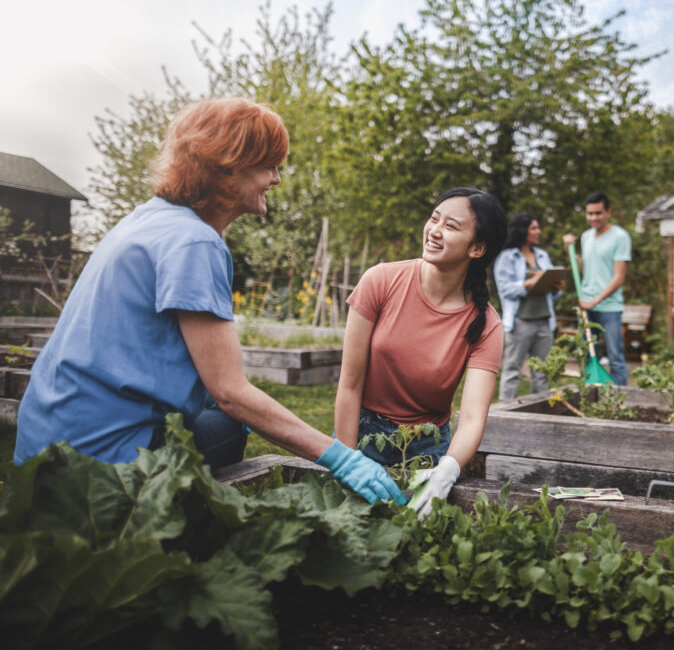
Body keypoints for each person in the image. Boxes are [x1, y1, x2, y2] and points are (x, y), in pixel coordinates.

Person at [15, 98, 405, 506]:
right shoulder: (194, 242)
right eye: (269, 166)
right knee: (231, 424)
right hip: (100, 462)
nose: (276, 180)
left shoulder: (147, 219)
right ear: (228, 166)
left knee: (215, 418)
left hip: (45, 444)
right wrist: (342, 458)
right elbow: (230, 392)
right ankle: (174, 526)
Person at [334, 187, 506, 517]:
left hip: (426, 450)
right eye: (434, 219)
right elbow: (350, 384)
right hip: (362, 433)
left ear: (478, 248)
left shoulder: (486, 325)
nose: (434, 231)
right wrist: (346, 458)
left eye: (451, 226)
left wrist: (448, 470)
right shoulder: (380, 281)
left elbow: (471, 417)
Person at [561, 192, 631, 385]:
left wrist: (595, 301)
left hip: (609, 307)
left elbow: (619, 277)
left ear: (608, 212)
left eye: (598, 213)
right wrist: (570, 251)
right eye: (590, 214)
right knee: (588, 357)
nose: (593, 218)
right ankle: (592, 400)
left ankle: (621, 402)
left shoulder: (620, 236)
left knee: (615, 359)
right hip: (586, 306)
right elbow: (585, 270)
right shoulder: (586, 236)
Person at [494, 213, 563, 400]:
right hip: (520, 323)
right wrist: (530, 282)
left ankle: (539, 414)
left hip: (544, 322)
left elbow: (552, 289)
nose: (538, 231)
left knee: (542, 372)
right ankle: (505, 413)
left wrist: (556, 287)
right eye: (534, 228)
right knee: (513, 369)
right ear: (522, 231)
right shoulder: (507, 257)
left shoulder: (542, 255)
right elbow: (505, 289)